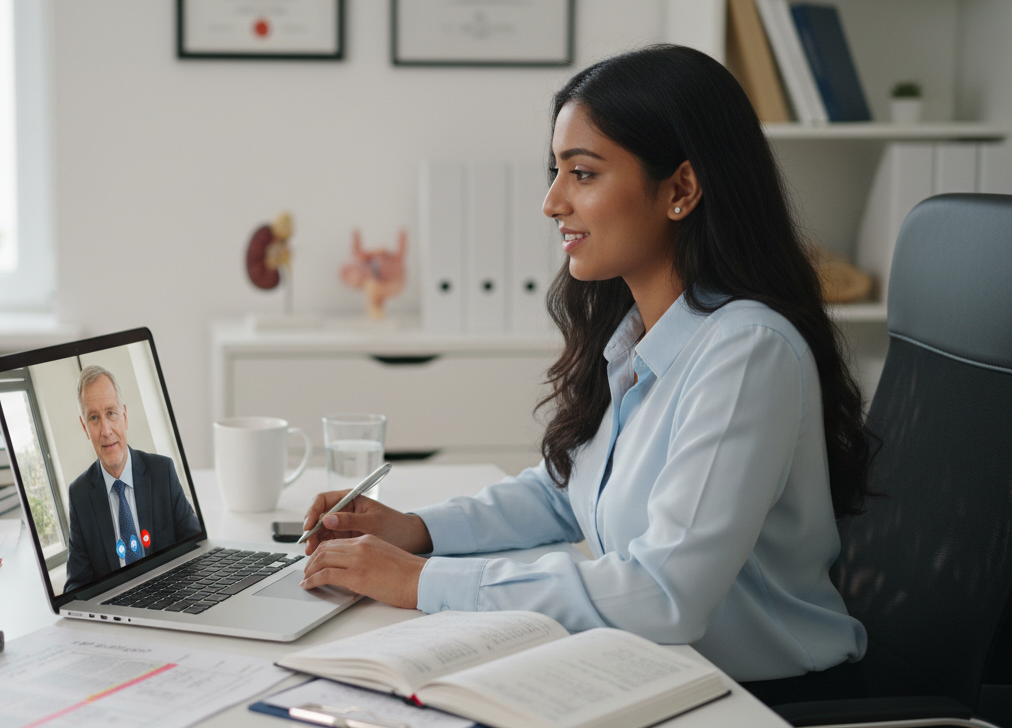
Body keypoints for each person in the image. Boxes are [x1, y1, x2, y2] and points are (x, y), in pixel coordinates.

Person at [299, 45, 872, 691]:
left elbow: (664, 594)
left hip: (765, 707)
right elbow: (564, 490)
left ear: (680, 189)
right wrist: (418, 530)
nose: (551, 202)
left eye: (583, 173)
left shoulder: (747, 352)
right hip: (661, 673)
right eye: (556, 171)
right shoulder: (639, 334)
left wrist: (419, 581)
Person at [64, 365, 199, 592]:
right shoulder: (79, 494)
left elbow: (198, 547)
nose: (106, 430)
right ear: (85, 427)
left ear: (124, 417)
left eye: (111, 413)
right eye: (94, 418)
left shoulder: (162, 472)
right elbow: (76, 586)